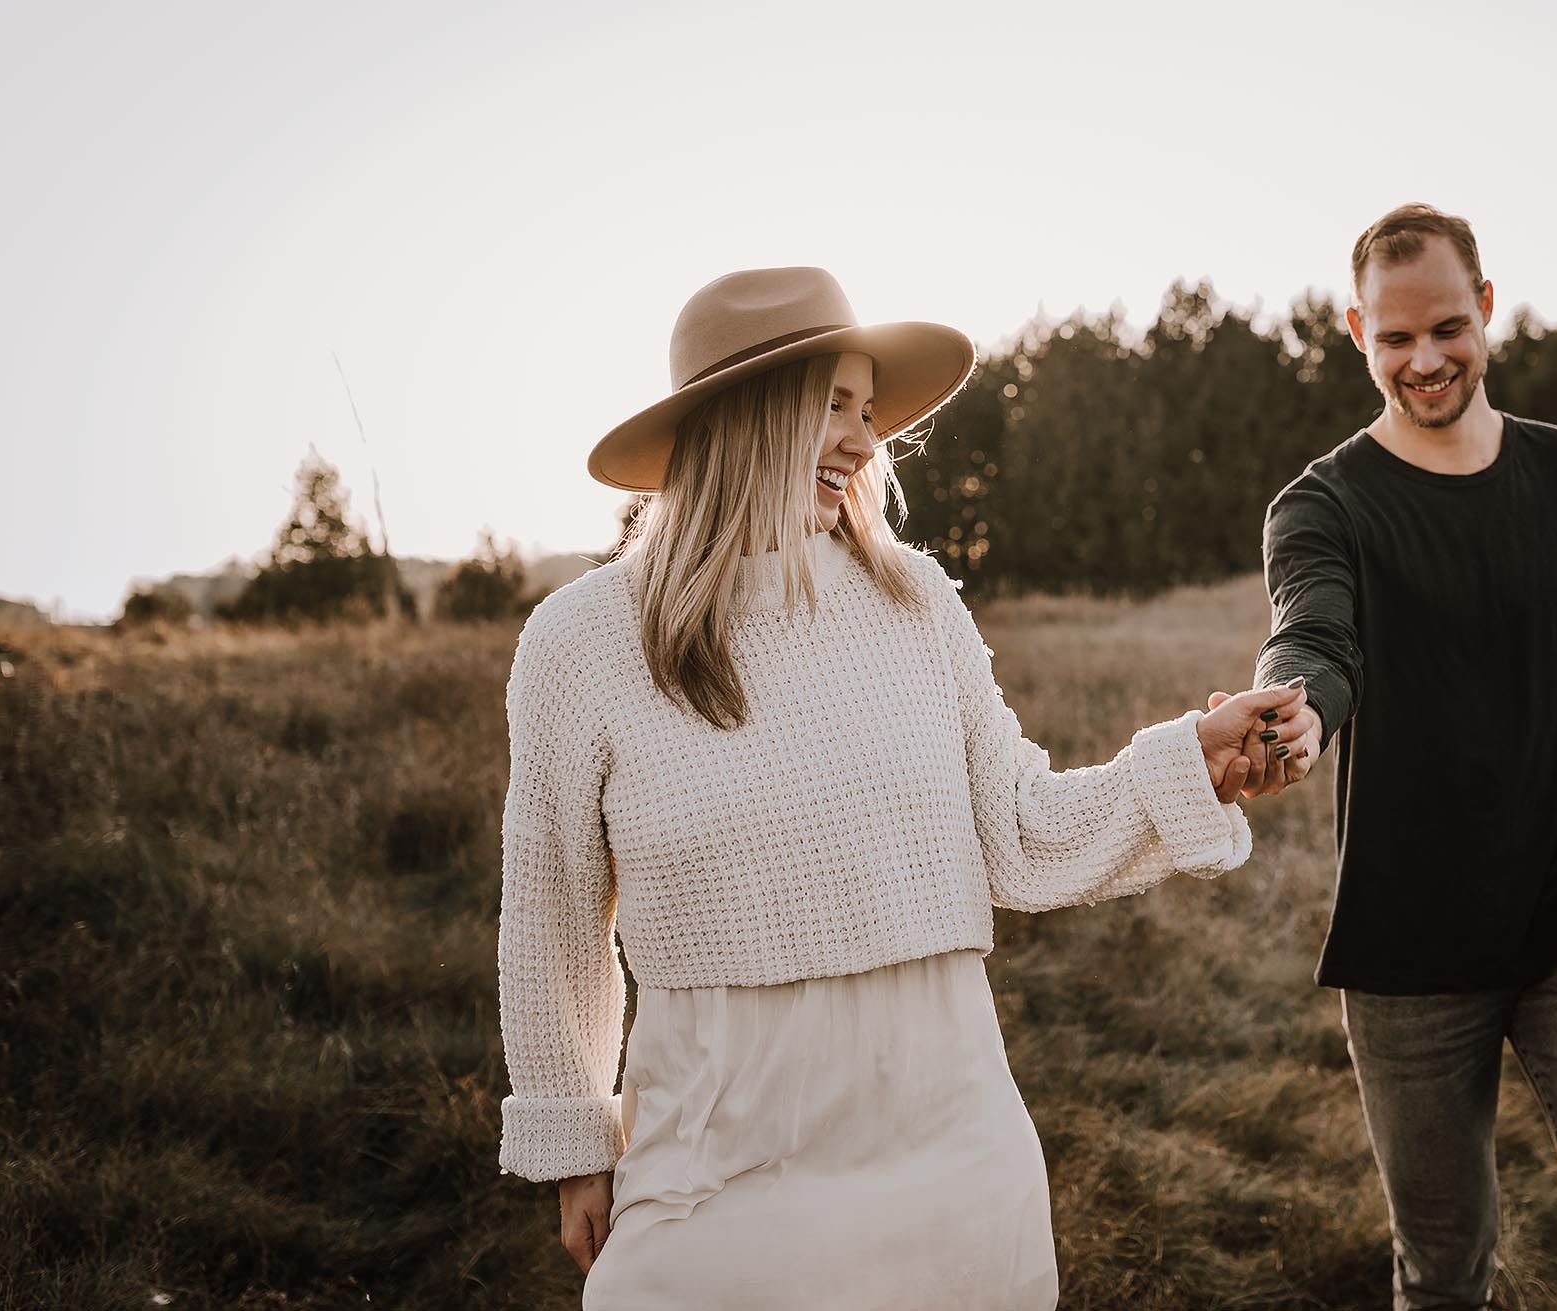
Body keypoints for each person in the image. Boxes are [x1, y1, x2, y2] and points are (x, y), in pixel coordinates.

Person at [494, 265, 1311, 1309]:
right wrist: (576, 1140)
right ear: (743, 416)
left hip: (951, 1159)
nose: (861, 439)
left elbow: (1017, 828)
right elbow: (554, 916)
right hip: (708, 1179)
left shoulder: (913, 600)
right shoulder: (581, 641)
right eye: (830, 404)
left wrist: (1189, 755)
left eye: (866, 407)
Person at [1247, 204, 1557, 1309]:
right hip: (1408, 947)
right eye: (1393, 339)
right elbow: (1316, 629)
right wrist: (1296, 707)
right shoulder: (1323, 504)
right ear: (1356, 332)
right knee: (1442, 1271)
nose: (1424, 359)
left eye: (1445, 327)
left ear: (1485, 307)